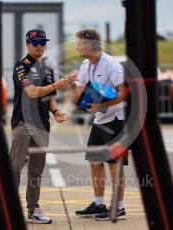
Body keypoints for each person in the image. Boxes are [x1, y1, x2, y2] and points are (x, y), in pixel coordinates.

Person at [9, 29, 69, 224]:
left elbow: (50, 98)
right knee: (15, 166)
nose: (40, 46)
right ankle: (9, 207)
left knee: (36, 170)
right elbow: (32, 92)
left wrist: (56, 111)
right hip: (23, 123)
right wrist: (55, 87)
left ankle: (33, 209)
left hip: (42, 125)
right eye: (36, 42)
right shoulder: (21, 66)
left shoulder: (49, 70)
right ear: (28, 44)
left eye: (43, 42)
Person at [70, 29, 127, 220]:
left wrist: (101, 105)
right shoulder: (86, 65)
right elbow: (78, 97)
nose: (77, 47)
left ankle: (119, 207)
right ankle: (99, 203)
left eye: (79, 43)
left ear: (88, 45)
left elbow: (123, 93)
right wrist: (72, 84)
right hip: (100, 119)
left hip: (116, 119)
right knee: (95, 162)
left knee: (114, 164)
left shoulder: (112, 65)